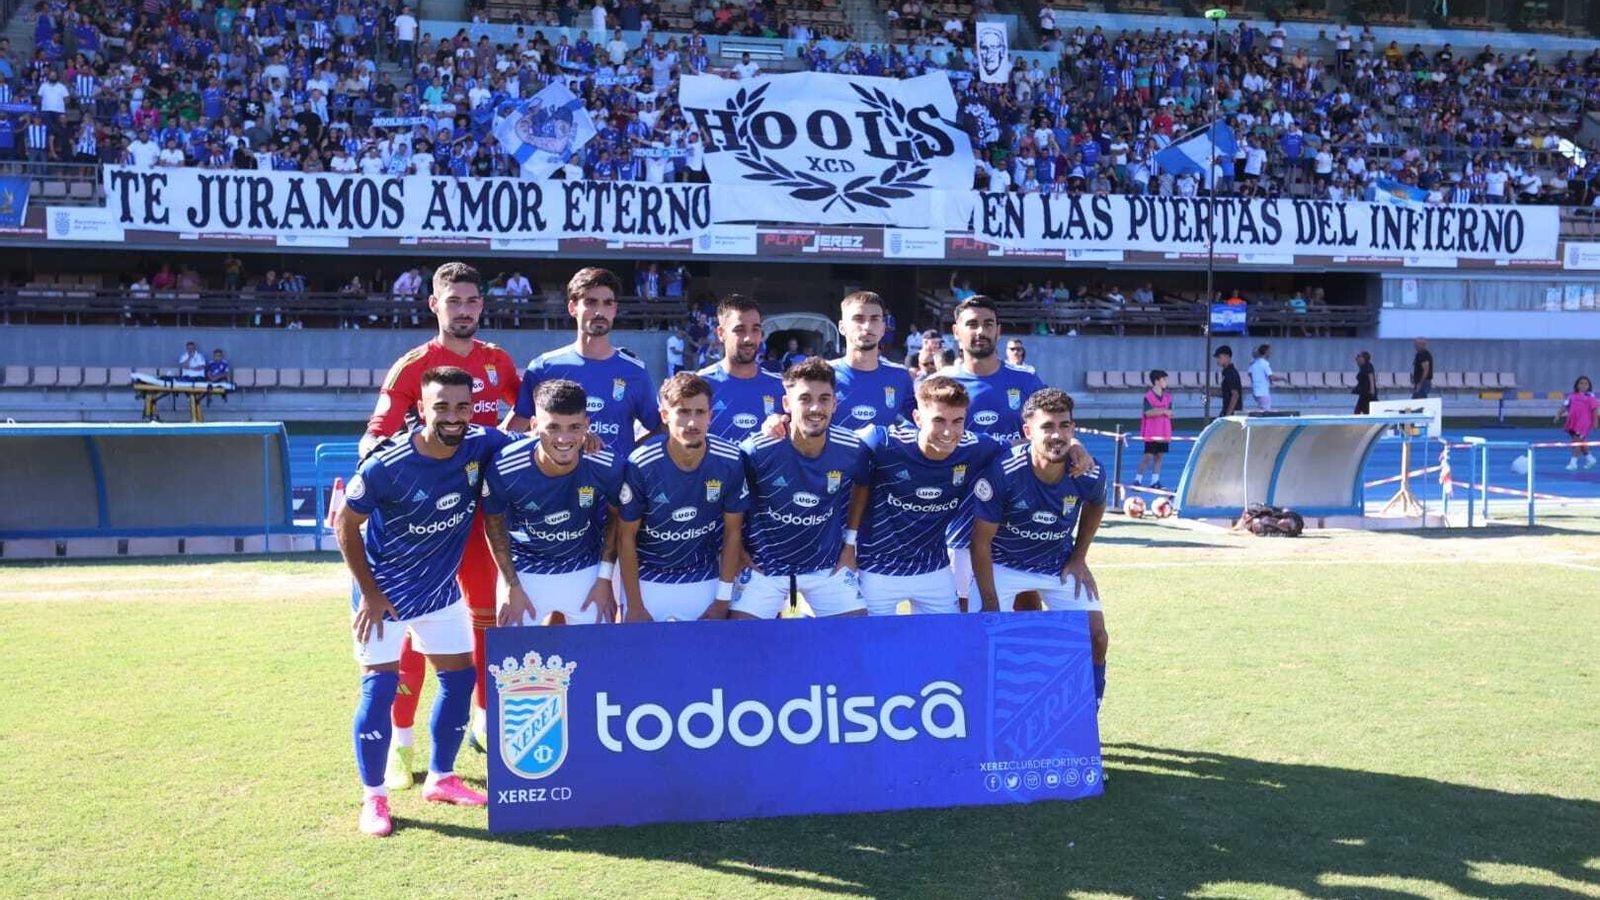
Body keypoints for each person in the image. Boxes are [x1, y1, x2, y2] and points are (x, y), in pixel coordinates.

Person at [337, 366, 515, 836]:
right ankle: (373, 799)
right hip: (384, 597)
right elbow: (345, 525)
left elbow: (535, 452)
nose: (454, 416)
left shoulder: (482, 443)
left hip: (438, 593)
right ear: (421, 409)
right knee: (378, 689)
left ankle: (441, 777)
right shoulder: (387, 463)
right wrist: (369, 593)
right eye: (442, 406)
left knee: (460, 680)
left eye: (462, 406)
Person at [361, 262, 521, 782]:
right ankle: (400, 742)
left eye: (472, 301)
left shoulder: (499, 362)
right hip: (423, 525)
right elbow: (375, 438)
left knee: (482, 618)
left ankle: (482, 722)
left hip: (478, 517)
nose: (465, 310)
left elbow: (522, 423)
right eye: (454, 301)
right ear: (435, 305)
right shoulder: (412, 367)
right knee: (411, 627)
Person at [970, 388, 1109, 706]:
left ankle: (1091, 708)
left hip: (1056, 564)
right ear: (1028, 431)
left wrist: (1079, 556)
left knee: (1096, 636)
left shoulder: (1087, 470)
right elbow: (980, 543)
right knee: (981, 638)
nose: (1057, 435)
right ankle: (984, 711)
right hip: (1004, 564)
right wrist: (991, 603)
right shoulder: (1004, 472)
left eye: (1065, 426)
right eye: (1048, 426)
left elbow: (1097, 503)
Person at [851, 375, 1006, 616]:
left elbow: (1027, 447)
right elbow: (832, 443)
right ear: (917, 418)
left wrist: (1073, 446)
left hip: (934, 569)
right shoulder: (884, 442)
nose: (948, 431)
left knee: (945, 646)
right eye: (938, 420)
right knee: (873, 648)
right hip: (876, 569)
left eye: (957, 421)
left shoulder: (975, 447)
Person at [733, 357, 870, 620]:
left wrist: (850, 544)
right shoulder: (757, 450)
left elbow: (862, 485)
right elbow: (730, 502)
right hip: (765, 567)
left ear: (835, 403)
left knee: (855, 637)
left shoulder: (852, 448)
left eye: (824, 399)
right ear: (786, 403)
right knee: (741, 642)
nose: (815, 408)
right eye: (805, 399)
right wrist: (738, 551)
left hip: (826, 566)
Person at [482, 379, 624, 628]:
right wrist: (510, 585)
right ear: (535, 425)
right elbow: (494, 526)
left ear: (587, 426)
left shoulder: (606, 463)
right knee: (517, 662)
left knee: (596, 659)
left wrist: (604, 579)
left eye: (574, 427)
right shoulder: (505, 467)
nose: (564, 438)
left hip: (586, 569)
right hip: (525, 571)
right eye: (553, 427)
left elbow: (616, 519)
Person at [937, 295, 1046, 611]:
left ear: (999, 331)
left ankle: (1021, 661)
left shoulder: (1025, 380)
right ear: (956, 331)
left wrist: (1076, 448)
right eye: (971, 324)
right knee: (962, 607)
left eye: (987, 324)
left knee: (1026, 602)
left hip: (1018, 512)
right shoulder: (940, 384)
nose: (979, 331)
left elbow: (1050, 427)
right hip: (961, 514)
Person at [617, 373, 749, 621]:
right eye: (683, 412)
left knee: (705, 657)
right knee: (642, 656)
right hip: (648, 578)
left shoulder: (730, 460)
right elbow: (626, 537)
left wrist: (722, 598)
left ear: (710, 415)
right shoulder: (641, 464)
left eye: (700, 412)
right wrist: (634, 604)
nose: (692, 423)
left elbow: (733, 532)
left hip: (703, 577)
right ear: (665, 416)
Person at [507, 267, 661, 457]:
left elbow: (660, 429)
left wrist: (628, 454)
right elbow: (514, 433)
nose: (599, 311)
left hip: (612, 483)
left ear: (615, 309)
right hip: (558, 483)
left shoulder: (635, 371)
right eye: (590, 302)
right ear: (573, 307)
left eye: (608, 303)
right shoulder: (544, 368)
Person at [699, 294, 783, 443]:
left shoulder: (782, 387)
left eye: (755, 330)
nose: (748, 339)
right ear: (721, 333)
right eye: (740, 330)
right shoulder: (700, 385)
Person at [831, 290, 916, 428]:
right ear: (842, 327)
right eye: (858, 319)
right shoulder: (824, 375)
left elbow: (920, 424)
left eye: (875, 319)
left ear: (883, 328)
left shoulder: (900, 377)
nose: (867, 327)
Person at [1134, 369, 1173, 489]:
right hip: (1152, 431)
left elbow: (1170, 412)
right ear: (1156, 381)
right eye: (1164, 379)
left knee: (1159, 456)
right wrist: (1163, 411)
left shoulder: (1168, 397)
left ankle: (1154, 481)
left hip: (1164, 430)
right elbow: (1148, 412)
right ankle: (1138, 480)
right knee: (1148, 456)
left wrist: (1164, 412)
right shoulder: (1148, 396)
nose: (1166, 382)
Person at [1555, 376, 1598, 470]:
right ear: (1577, 385)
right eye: (1581, 383)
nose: (1583, 385)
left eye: (1586, 384)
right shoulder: (1572, 396)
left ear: (1589, 386)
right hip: (1573, 422)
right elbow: (1565, 406)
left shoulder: (1590, 397)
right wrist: (1558, 415)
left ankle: (1573, 462)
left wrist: (1595, 422)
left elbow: (1595, 410)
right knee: (1580, 441)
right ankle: (1590, 458)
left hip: (1584, 423)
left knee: (1576, 441)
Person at [1247, 344, 1277, 412]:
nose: (1271, 353)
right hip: (1263, 392)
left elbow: (1250, 374)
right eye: (1270, 351)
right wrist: (1283, 379)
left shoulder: (1253, 363)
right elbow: (1272, 377)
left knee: (1262, 409)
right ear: (1266, 352)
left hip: (1256, 392)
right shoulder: (1265, 363)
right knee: (1266, 412)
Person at [1214, 345, 1242, 417]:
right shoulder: (1226, 372)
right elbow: (1227, 393)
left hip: (1233, 413)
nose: (1217, 360)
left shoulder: (1231, 373)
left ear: (1227, 356)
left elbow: (1235, 395)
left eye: (1219, 357)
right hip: (1228, 410)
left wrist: (1228, 415)